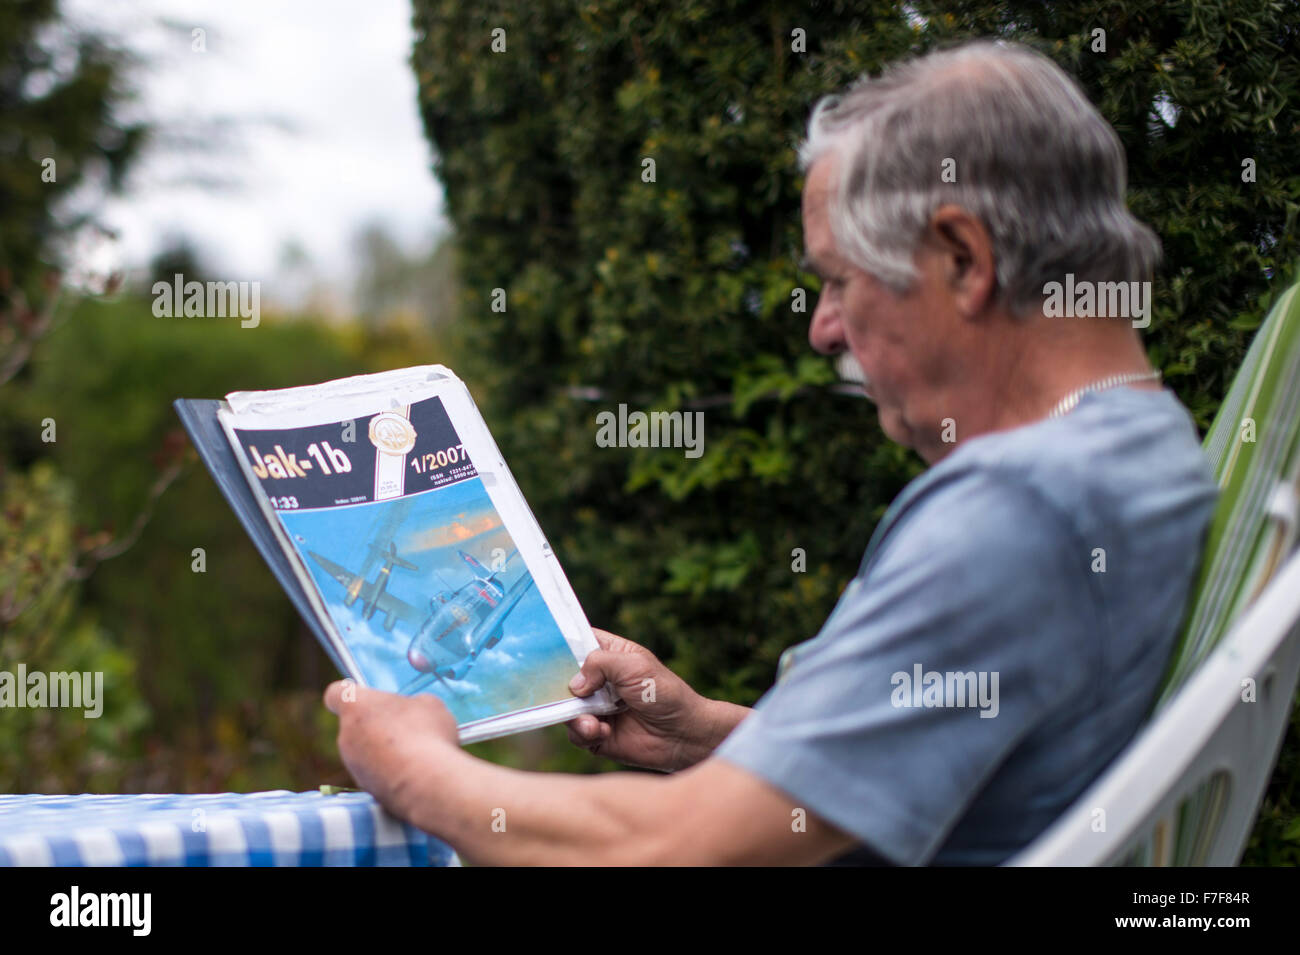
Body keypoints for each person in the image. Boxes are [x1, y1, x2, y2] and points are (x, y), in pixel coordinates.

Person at [323, 39, 1218, 866]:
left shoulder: (1023, 507)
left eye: (838, 280)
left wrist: (413, 771)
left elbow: (676, 851)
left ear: (962, 258)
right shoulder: (1146, 451)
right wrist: (706, 736)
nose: (825, 327)